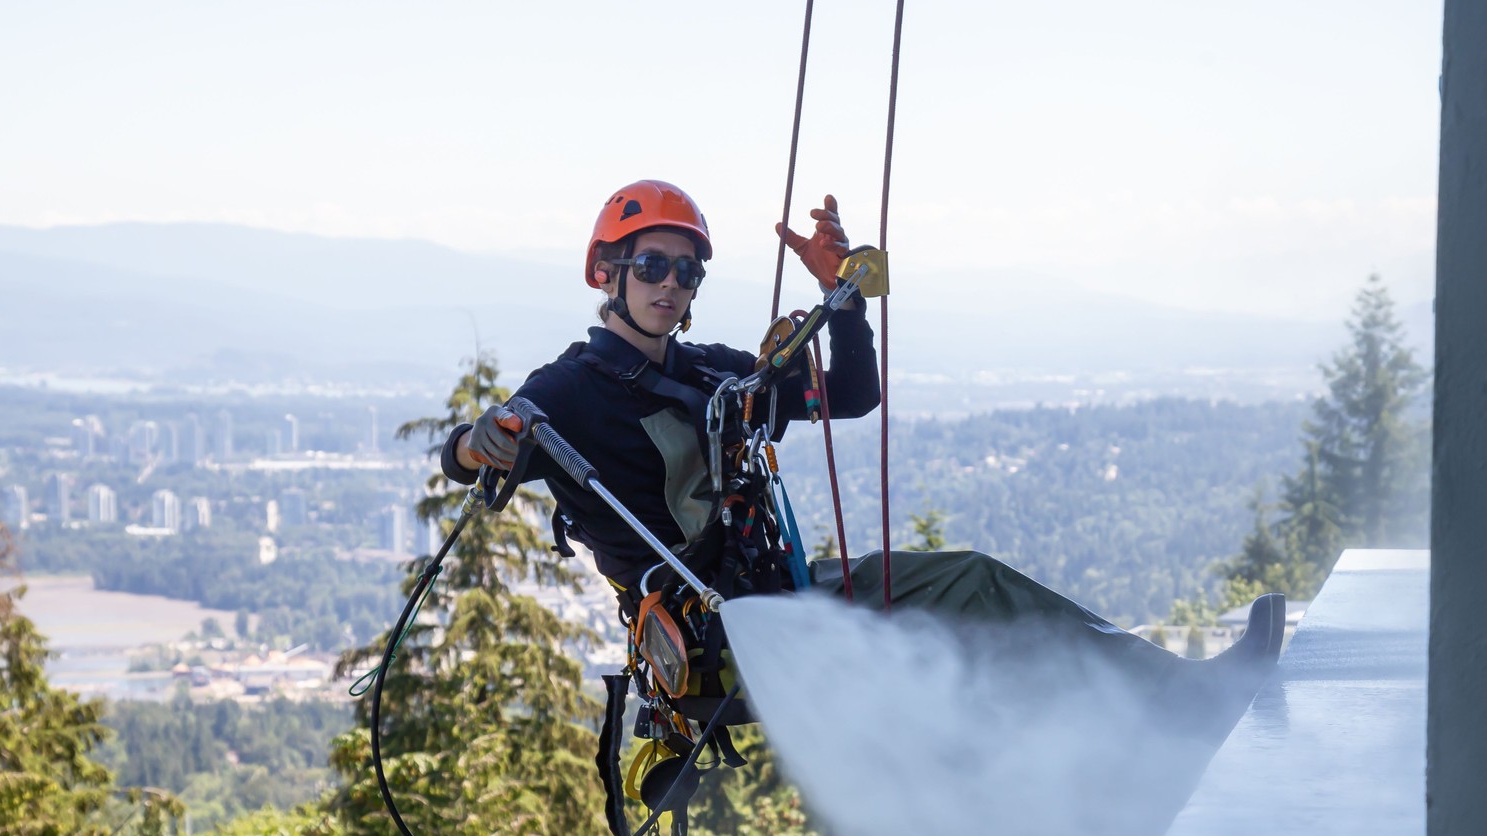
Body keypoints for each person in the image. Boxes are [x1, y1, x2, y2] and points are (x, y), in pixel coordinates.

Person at [439, 178, 1134, 639]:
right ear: (608, 274)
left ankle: (1141, 686)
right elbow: (469, 456)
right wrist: (482, 442)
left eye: (687, 272)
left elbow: (854, 397)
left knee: (972, 580)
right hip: (708, 625)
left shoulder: (718, 373)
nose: (671, 285)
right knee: (955, 607)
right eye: (652, 265)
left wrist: (846, 299)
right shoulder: (570, 390)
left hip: (771, 591)